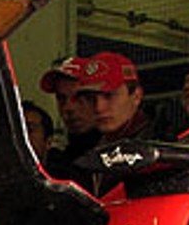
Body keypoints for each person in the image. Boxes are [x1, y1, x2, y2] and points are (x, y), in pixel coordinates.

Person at [39, 51, 153, 185]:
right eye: (91, 98)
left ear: (136, 96)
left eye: (109, 95)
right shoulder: (96, 152)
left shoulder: (158, 148)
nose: (99, 107)